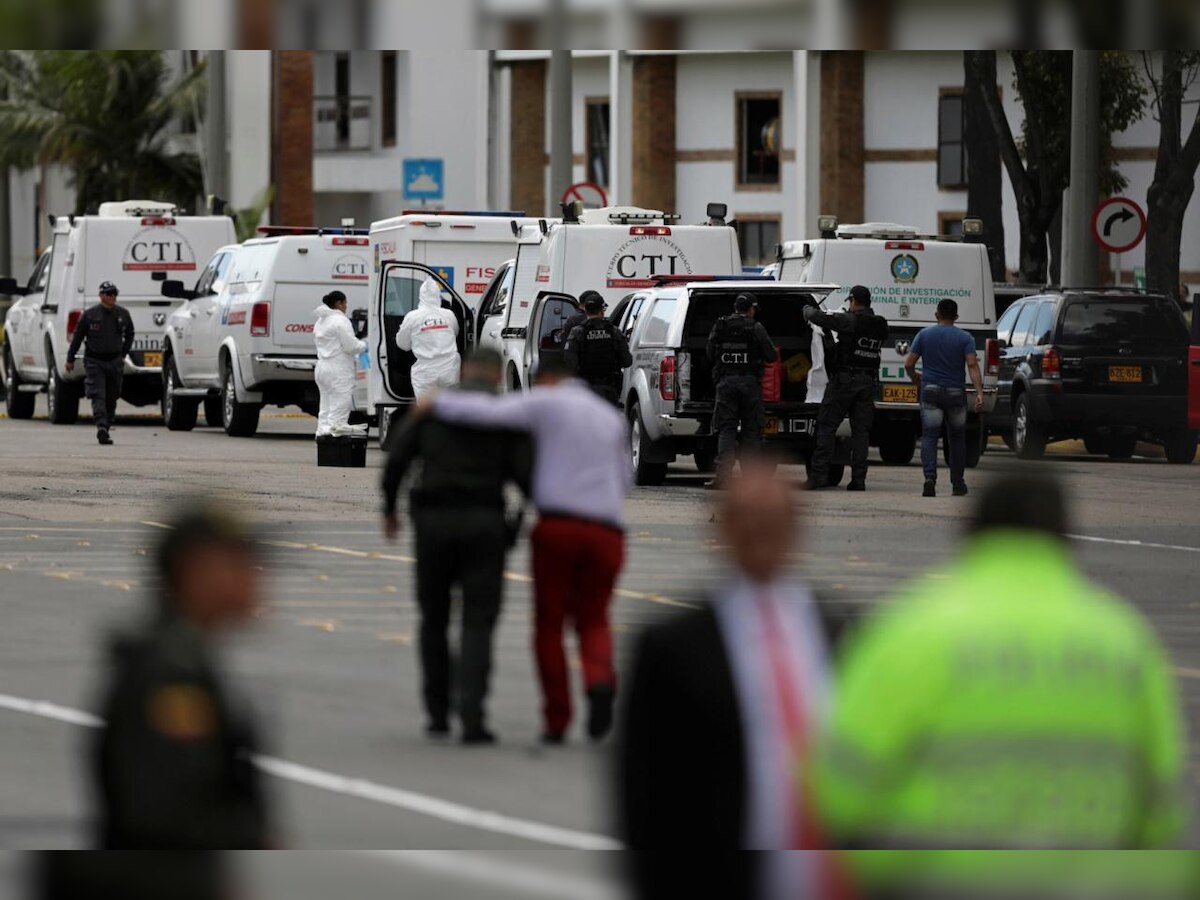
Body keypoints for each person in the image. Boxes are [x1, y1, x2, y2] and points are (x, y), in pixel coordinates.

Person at [817, 473, 1185, 884]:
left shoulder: (911, 632)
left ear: (970, 533)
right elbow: (1160, 809)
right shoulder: (1126, 642)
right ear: (1065, 536)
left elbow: (839, 791)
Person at [617, 462, 848, 900]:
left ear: (798, 526)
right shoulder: (672, 648)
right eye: (748, 520)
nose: (760, 533)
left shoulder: (839, 633)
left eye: (773, 520)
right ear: (720, 530)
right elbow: (645, 793)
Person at [423, 354, 631, 744]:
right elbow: (626, 479)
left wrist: (435, 401)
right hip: (607, 532)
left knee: (550, 624)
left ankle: (557, 720)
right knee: (595, 618)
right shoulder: (610, 417)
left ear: (547, 379)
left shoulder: (547, 401)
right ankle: (599, 679)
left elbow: (488, 411)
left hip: (558, 527)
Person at [91, 501, 273, 849]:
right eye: (239, 563)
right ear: (195, 573)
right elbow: (168, 814)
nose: (256, 576)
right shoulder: (171, 679)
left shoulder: (184, 660)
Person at [380, 349, 533, 744]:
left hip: (434, 523)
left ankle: (437, 712)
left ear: (465, 371)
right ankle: (473, 716)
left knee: (434, 618)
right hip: (484, 523)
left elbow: (397, 457)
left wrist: (389, 508)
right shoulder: (504, 415)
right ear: (497, 375)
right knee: (478, 622)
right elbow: (526, 476)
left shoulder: (434, 408)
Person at [804, 284, 889, 491]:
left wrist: (807, 308)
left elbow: (817, 317)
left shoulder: (849, 320)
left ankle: (818, 477)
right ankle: (858, 480)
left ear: (853, 300)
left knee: (827, 425)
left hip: (845, 381)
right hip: (867, 382)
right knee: (861, 432)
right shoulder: (880, 324)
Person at [904, 297, 985, 498]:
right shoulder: (965, 338)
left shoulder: (924, 335)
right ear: (956, 317)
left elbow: (908, 364)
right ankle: (958, 484)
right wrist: (980, 393)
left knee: (930, 436)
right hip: (955, 393)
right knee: (957, 439)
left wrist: (915, 378)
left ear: (936, 315)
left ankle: (929, 478)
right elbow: (973, 366)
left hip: (930, 390)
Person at [705, 292, 778, 488]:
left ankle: (723, 478)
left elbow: (710, 353)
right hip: (749, 385)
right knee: (751, 432)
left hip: (726, 384)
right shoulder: (756, 327)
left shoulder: (721, 325)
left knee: (726, 431)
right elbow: (771, 356)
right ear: (751, 309)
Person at [65, 281, 134, 446]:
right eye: (108, 294)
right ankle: (101, 426)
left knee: (112, 396)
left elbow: (130, 334)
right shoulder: (90, 315)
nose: (112, 297)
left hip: (114, 361)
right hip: (95, 361)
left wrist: (123, 354)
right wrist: (70, 358)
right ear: (101, 295)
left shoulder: (123, 314)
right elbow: (78, 337)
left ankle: (107, 426)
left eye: (114, 294)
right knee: (98, 395)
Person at [313, 289, 367, 437]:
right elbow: (351, 346)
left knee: (325, 409)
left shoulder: (321, 320)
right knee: (339, 412)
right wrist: (364, 346)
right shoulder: (340, 320)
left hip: (322, 368)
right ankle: (334, 445)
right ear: (339, 303)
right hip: (338, 369)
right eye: (345, 302)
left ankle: (323, 439)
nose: (346, 306)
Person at [563, 291, 632, 405]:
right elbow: (627, 361)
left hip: (584, 390)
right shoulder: (614, 332)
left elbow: (570, 363)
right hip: (609, 389)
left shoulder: (577, 332)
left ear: (586, 310)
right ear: (602, 311)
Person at [397, 277, 460, 398]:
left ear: (421, 296)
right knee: (451, 411)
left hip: (426, 374)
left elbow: (402, 345)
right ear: (438, 295)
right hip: (449, 371)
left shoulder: (412, 317)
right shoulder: (449, 314)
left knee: (428, 413)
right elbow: (455, 333)